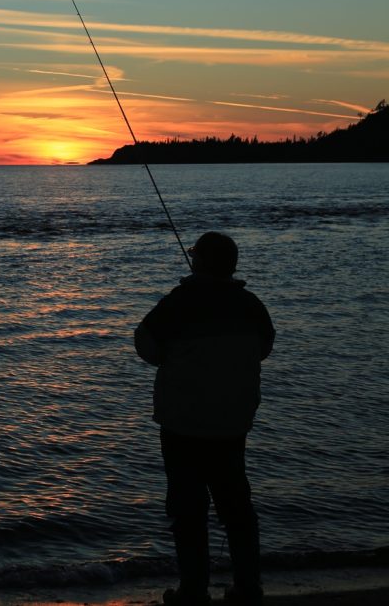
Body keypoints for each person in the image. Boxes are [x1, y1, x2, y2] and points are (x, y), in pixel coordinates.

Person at [135, 232, 275, 606]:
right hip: (232, 423)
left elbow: (145, 346)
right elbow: (264, 348)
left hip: (183, 424)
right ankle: (248, 588)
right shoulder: (250, 305)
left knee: (187, 509)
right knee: (237, 508)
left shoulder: (178, 304)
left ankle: (193, 590)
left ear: (199, 262)